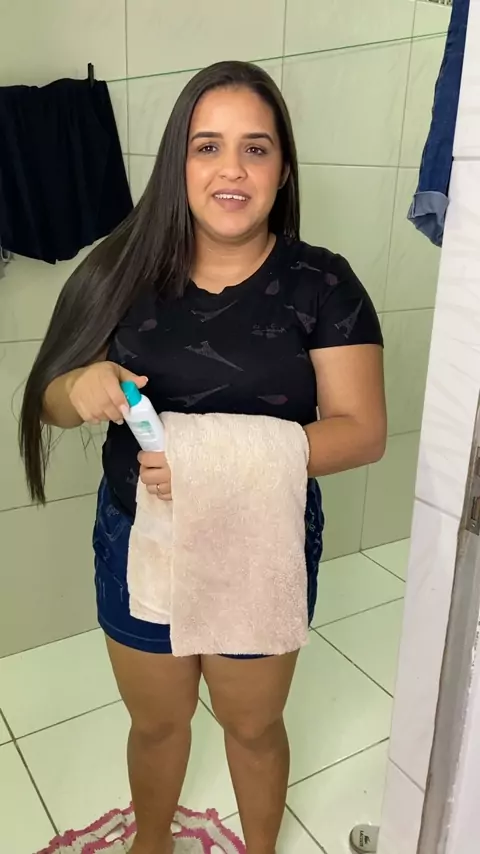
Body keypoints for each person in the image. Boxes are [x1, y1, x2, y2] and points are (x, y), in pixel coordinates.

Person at [19, 61, 386, 854]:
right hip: (136, 535)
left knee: (252, 726)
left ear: (282, 168)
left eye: (256, 148)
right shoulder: (118, 271)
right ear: (176, 163)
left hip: (261, 540)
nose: (232, 169)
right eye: (207, 146)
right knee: (157, 725)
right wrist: (79, 384)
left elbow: (362, 431)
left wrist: (211, 461)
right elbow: (49, 400)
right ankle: (150, 844)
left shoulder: (324, 285)